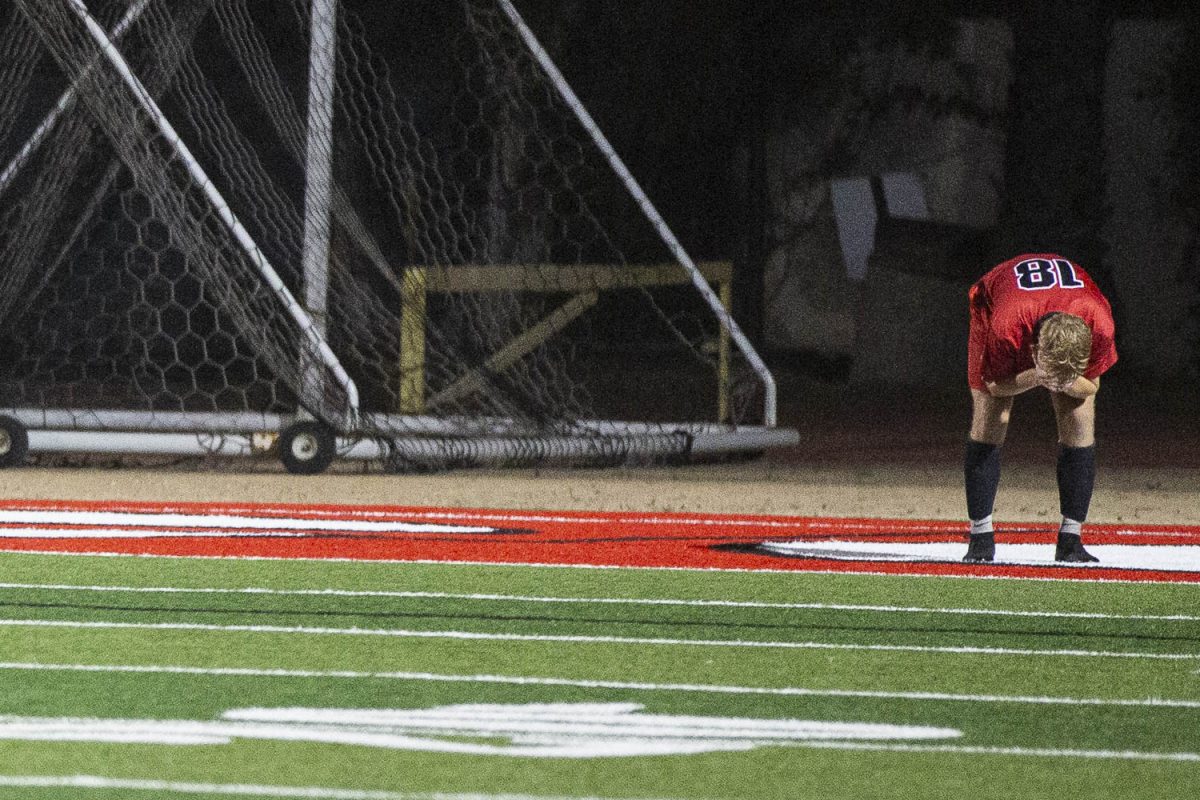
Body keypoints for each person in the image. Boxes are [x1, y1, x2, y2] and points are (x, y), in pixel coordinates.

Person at [964, 253, 1117, 563]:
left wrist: (1065, 381)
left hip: (1064, 306)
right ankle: (980, 536)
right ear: (1032, 350)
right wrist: (1037, 375)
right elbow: (995, 385)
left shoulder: (1098, 323)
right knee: (991, 416)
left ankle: (1071, 540)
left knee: (1080, 416)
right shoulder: (1006, 327)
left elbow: (1092, 387)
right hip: (1000, 301)